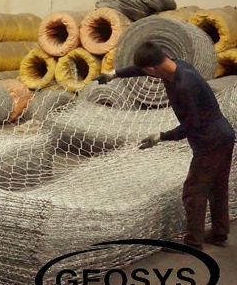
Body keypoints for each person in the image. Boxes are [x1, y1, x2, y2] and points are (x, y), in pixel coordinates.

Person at [94, 41, 235, 250]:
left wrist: (161, 136)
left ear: (152, 69)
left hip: (210, 141)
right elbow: (140, 69)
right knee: (217, 186)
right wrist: (113, 74)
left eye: (146, 71)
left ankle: (193, 243)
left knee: (194, 191)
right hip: (223, 134)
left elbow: (191, 126)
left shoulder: (185, 85)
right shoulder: (175, 65)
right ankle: (219, 233)